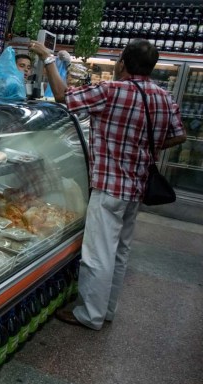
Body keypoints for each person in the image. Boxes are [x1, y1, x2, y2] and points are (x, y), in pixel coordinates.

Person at [29, 39, 186, 330]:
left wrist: (48, 58)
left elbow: (63, 97)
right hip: (137, 188)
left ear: (122, 63)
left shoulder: (112, 91)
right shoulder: (164, 97)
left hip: (109, 187)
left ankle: (90, 315)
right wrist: (147, 147)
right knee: (120, 251)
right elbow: (179, 135)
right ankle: (107, 309)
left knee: (97, 254)